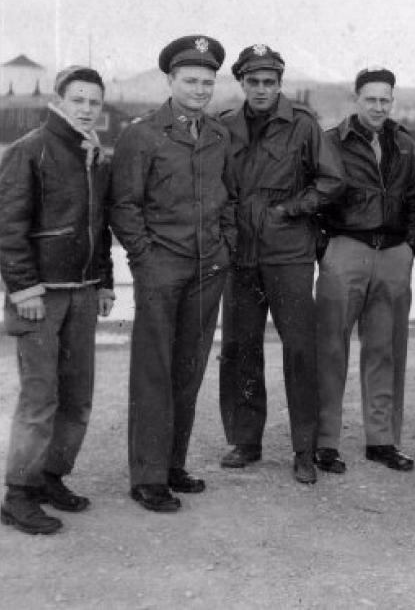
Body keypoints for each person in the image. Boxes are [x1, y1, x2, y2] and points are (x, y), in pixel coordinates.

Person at [111, 35, 235, 513]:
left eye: (208, 81)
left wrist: (225, 246)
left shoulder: (219, 136)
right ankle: (147, 477)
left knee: (189, 369)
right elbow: (123, 205)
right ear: (170, 80)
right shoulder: (142, 134)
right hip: (162, 267)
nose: (200, 89)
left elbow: (228, 198)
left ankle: (172, 464)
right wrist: (145, 258)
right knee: (153, 373)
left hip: (209, 269)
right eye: (191, 80)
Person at [217, 44, 344, 484]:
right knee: (239, 347)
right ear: (242, 83)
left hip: (288, 253)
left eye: (269, 82)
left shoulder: (303, 127)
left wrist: (290, 209)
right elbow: (216, 187)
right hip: (241, 255)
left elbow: (332, 180)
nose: (261, 89)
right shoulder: (225, 127)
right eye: (253, 82)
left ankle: (304, 448)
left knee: (300, 350)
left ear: (279, 84)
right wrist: (231, 228)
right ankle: (245, 440)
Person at [0, 66, 115, 534]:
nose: (87, 108)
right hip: (41, 297)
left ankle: (50, 477)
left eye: (94, 102)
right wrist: (23, 288)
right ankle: (18, 494)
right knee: (39, 398)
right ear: (59, 101)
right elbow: (8, 228)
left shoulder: (93, 155)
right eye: (79, 100)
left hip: (83, 293)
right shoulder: (29, 150)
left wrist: (105, 280)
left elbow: (99, 226)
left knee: (77, 396)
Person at [314, 67, 415, 472]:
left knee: (385, 350)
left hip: (393, 253)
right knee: (330, 349)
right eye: (371, 99)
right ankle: (324, 442)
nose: (378, 107)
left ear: (392, 101)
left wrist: (409, 248)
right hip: (347, 250)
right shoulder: (330, 143)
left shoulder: (404, 143)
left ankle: (382, 440)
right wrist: (326, 249)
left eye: (385, 100)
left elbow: (414, 198)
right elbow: (315, 198)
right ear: (355, 99)